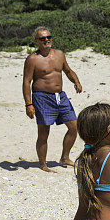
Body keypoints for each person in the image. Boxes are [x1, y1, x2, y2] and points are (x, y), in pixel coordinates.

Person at [22, 26, 83, 172]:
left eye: (48, 37)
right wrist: (28, 104)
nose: (46, 40)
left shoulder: (59, 54)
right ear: (36, 41)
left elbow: (67, 70)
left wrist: (76, 81)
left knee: (74, 126)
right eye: (42, 38)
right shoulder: (32, 59)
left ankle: (64, 158)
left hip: (60, 96)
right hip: (42, 97)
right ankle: (43, 164)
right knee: (43, 132)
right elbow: (26, 82)